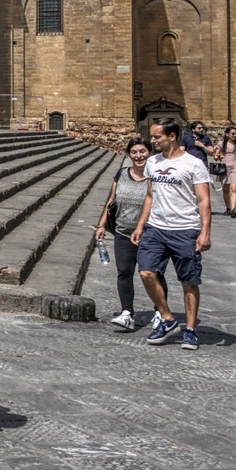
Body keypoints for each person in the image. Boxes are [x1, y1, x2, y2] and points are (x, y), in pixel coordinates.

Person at [132, 119, 212, 348]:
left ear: (172, 136)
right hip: (156, 228)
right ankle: (167, 318)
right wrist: (140, 225)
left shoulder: (193, 164)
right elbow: (150, 195)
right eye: (153, 136)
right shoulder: (153, 162)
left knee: (188, 281)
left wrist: (205, 232)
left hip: (185, 229)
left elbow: (204, 200)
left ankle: (190, 329)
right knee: (146, 272)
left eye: (157, 137)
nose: (153, 140)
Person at [92, 136, 152, 332]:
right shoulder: (122, 174)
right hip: (123, 231)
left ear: (150, 153)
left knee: (151, 274)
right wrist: (101, 225)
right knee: (124, 272)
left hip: (149, 233)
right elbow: (111, 199)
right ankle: (127, 313)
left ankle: (161, 311)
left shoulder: (155, 176)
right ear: (129, 155)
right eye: (134, 152)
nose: (138, 155)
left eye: (142, 151)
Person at [217, 128, 236, 217]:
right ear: (227, 134)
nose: (234, 135)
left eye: (235, 134)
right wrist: (218, 156)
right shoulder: (221, 144)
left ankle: (233, 209)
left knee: (234, 189)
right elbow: (215, 155)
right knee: (226, 190)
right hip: (224, 169)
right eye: (232, 133)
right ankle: (228, 208)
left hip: (235, 168)